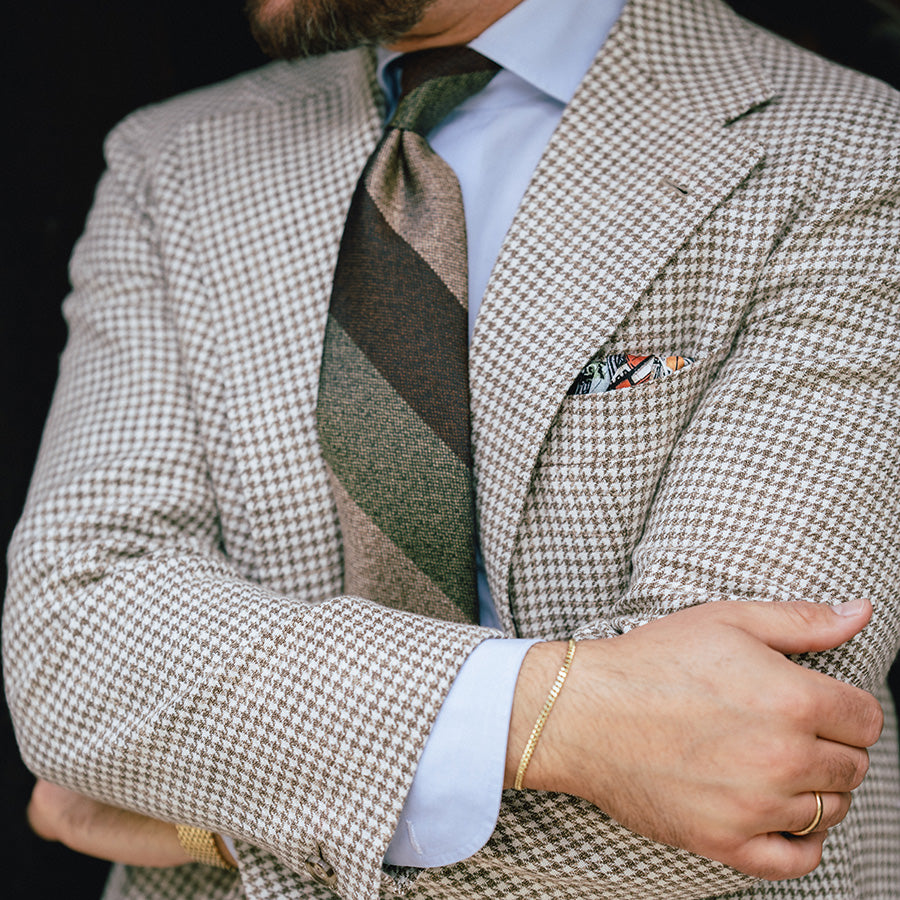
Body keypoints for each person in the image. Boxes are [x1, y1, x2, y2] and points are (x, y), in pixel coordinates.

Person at [6, 0, 900, 898]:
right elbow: (67, 645)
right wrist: (562, 716)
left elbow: (758, 765)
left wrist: (202, 820)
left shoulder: (854, 151)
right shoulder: (172, 158)